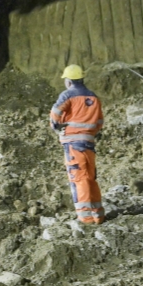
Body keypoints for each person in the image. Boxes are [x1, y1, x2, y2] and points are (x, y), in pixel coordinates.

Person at [49, 65, 103, 224]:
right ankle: (98, 214)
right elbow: (99, 121)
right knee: (90, 177)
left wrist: (58, 128)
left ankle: (85, 217)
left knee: (78, 178)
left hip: (73, 142)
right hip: (89, 142)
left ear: (69, 81)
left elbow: (55, 114)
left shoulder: (68, 95)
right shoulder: (93, 97)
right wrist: (89, 132)